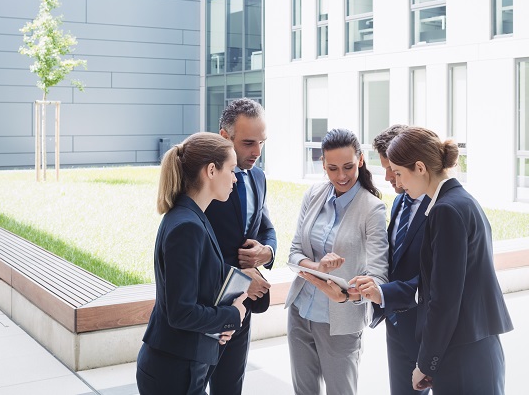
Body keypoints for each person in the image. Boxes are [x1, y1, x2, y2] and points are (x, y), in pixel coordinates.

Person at [386, 127, 514, 395]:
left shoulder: (446, 211)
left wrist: (425, 363)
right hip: (473, 347)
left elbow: (444, 300)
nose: (397, 182)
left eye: (398, 172)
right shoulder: (462, 201)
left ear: (420, 167)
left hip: (462, 356)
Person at [136, 132, 248, 395]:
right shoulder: (187, 225)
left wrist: (221, 323)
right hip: (173, 371)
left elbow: (195, 290)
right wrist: (232, 316)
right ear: (211, 170)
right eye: (231, 170)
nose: (235, 178)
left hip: (180, 364)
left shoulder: (192, 216)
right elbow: (181, 312)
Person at [285, 128, 388, 395]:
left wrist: (344, 295)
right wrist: (318, 268)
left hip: (341, 323)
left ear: (361, 160)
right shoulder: (313, 195)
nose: (341, 176)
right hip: (300, 312)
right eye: (332, 168)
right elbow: (294, 252)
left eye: (348, 167)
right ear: (323, 165)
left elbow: (379, 279)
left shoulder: (372, 209)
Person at [349, 124, 431, 395]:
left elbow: (436, 276)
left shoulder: (441, 207)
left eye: (392, 170)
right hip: (396, 323)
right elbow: (392, 258)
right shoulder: (399, 203)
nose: (387, 178)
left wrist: (383, 293)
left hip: (429, 327)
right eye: (385, 168)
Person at [206, 98, 277, 395]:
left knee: (230, 387)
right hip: (205, 304)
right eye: (249, 143)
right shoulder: (204, 180)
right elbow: (196, 248)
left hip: (242, 307)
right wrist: (243, 274)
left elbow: (266, 227)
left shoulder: (258, 176)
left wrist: (267, 251)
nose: (257, 152)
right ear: (225, 137)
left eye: (261, 142)